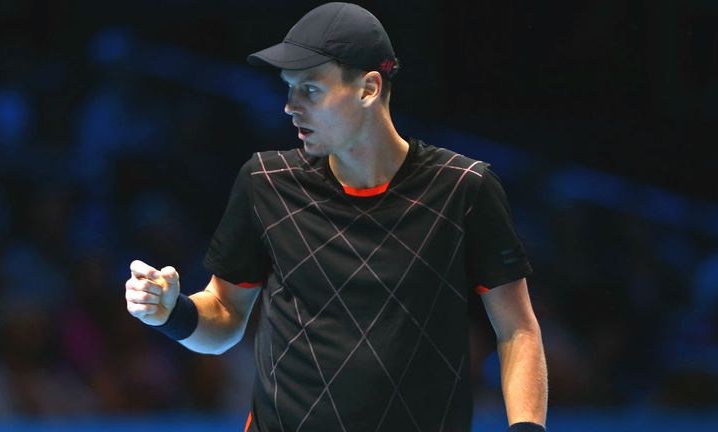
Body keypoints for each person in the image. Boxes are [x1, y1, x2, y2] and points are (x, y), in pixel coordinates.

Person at [124, 3, 547, 431]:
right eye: (289, 88)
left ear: (368, 88)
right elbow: (225, 314)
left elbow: (518, 331)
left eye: (310, 89)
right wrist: (171, 313)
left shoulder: (465, 189)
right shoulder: (265, 182)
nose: (290, 106)